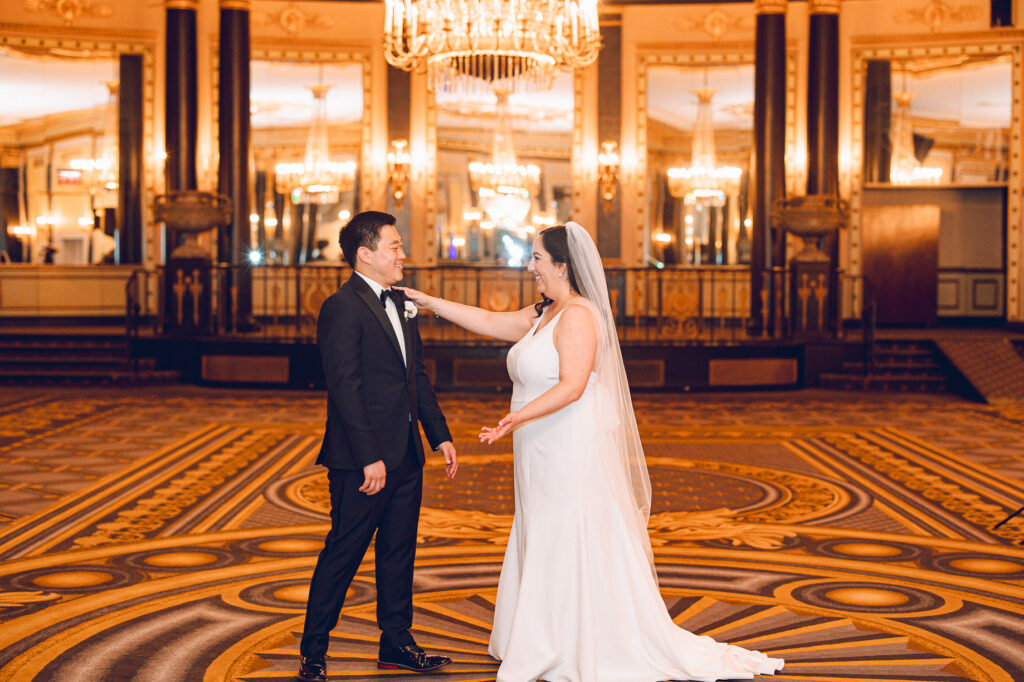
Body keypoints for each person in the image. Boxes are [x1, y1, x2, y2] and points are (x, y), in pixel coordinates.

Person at [398, 222, 784, 682]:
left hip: (564, 443)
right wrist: (430, 302)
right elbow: (491, 321)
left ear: (562, 265)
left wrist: (516, 418)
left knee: (567, 530)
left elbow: (573, 385)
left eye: (537, 258)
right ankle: (543, 634)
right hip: (538, 444)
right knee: (540, 527)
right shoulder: (545, 312)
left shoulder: (578, 315)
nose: (530, 266)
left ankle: (571, 641)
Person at [298, 211, 459, 682]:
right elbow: (343, 387)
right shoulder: (341, 307)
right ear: (365, 254)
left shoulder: (403, 303)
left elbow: (417, 377)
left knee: (398, 553)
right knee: (343, 554)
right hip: (360, 461)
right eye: (394, 246)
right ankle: (314, 651)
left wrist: (440, 435)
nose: (401, 253)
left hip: (407, 454)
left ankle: (396, 644)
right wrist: (370, 456)